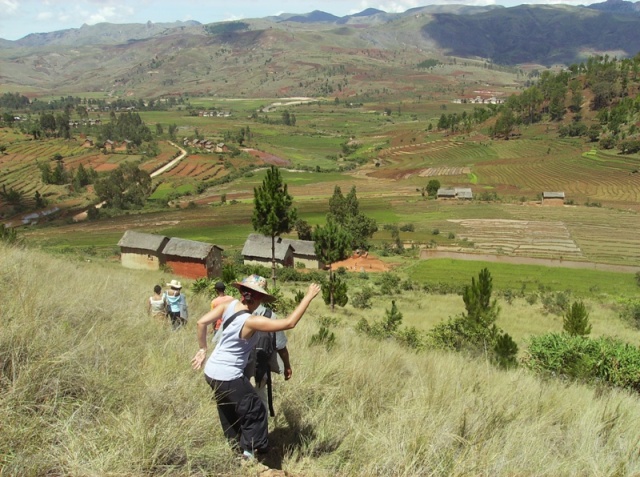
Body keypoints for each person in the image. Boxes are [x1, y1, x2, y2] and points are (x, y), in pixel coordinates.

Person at [191, 277, 321, 461]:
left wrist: (202, 349)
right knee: (256, 410)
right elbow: (289, 323)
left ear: (242, 293)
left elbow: (201, 323)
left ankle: (235, 446)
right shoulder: (251, 320)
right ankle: (250, 453)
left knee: (228, 409)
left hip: (211, 371)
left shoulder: (228, 303)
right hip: (229, 374)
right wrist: (308, 296)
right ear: (259, 298)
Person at [240, 275, 292, 415]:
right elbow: (281, 347)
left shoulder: (233, 311)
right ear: (262, 296)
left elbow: (219, 339)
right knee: (259, 404)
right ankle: (260, 435)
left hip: (233, 371)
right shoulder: (270, 316)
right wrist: (286, 366)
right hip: (258, 371)